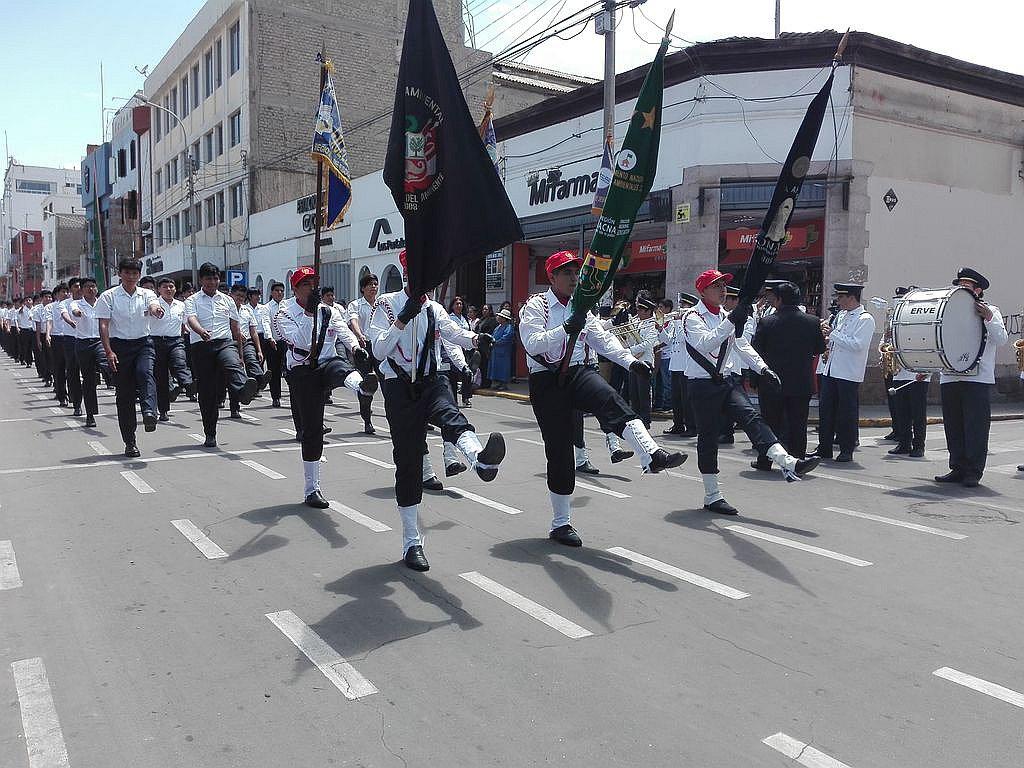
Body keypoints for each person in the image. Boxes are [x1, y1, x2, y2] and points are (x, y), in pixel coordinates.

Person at [520, 251, 686, 547]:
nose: (573, 277)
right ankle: (561, 524)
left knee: (611, 399)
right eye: (566, 272)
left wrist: (629, 362)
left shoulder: (582, 305)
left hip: (577, 373)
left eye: (576, 272)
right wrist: (565, 329)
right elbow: (532, 343)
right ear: (552, 277)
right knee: (559, 452)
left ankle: (651, 454)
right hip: (546, 381)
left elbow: (603, 340)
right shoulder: (537, 305)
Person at [367, 250, 505, 572]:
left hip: (432, 380)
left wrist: (475, 339)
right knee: (409, 463)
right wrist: (403, 317)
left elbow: (451, 333)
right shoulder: (386, 304)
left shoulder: (434, 308)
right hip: (400, 390)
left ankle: (480, 458)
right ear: (405, 275)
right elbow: (379, 348)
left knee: (450, 414)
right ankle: (412, 542)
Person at [683, 270, 820, 515]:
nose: (722, 289)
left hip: (726, 381)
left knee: (752, 417)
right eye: (716, 285)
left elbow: (741, 345)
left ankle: (788, 463)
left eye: (724, 284)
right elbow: (705, 344)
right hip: (702, 385)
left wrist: (763, 368)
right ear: (702, 291)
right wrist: (731, 320)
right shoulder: (692, 317)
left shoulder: (726, 315)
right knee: (708, 439)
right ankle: (712, 495)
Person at [276, 267, 376, 507]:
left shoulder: (328, 311)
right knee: (312, 431)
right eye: (305, 284)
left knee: (341, 368)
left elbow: (343, 331)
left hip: (326, 361)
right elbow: (299, 341)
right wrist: (310, 314)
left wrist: (356, 348)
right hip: (302, 369)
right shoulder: (284, 312)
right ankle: (312, 489)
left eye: (314, 284)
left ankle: (362, 387)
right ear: (295, 288)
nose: (311, 288)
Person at [935, 267, 1008, 487]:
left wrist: (988, 318)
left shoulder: (991, 310)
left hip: (977, 379)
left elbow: (1001, 339)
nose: (960, 289)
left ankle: (973, 471)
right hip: (950, 377)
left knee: (975, 427)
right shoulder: (948, 309)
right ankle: (957, 467)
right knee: (953, 425)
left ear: (978, 290)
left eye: (966, 286)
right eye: (959, 285)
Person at [751, 281, 826, 467]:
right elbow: (819, 347)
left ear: (779, 300)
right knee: (798, 423)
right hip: (800, 380)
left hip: (771, 381)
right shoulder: (812, 321)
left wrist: (754, 379)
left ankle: (765, 459)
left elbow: (756, 351)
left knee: (769, 423)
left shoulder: (767, 322)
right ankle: (797, 459)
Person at [184, 263, 259, 448]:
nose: (212, 282)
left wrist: (240, 353)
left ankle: (243, 390)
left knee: (232, 363)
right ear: (201, 280)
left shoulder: (228, 300)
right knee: (208, 392)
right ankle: (210, 433)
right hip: (202, 346)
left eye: (216, 278)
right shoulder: (192, 300)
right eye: (208, 278)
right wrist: (201, 331)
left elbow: (235, 329)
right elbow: (191, 319)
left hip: (224, 343)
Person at [96, 258, 164, 457]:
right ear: (120, 274)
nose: (131, 277)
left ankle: (150, 412)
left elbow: (153, 306)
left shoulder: (147, 294)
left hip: (144, 343)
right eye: (127, 273)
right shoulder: (108, 296)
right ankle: (130, 442)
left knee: (145, 373)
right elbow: (104, 325)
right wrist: (108, 351)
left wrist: (156, 310)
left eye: (135, 273)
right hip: (119, 347)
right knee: (124, 397)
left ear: (139, 275)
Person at [814, 283, 875, 462]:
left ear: (851, 297)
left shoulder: (865, 319)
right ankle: (824, 448)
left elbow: (857, 345)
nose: (838, 301)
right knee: (826, 411)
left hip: (848, 372)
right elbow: (837, 341)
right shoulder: (841, 315)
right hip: (832, 369)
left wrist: (832, 334)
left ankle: (846, 450)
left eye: (841, 297)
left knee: (845, 413)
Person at [150, 277, 195, 421]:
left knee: (180, 362)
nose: (168, 289)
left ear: (175, 289)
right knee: (161, 378)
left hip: (176, 341)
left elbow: (186, 324)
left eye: (171, 287)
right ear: (159, 289)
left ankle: (189, 385)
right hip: (156, 342)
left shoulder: (181, 305)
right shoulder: (153, 303)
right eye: (165, 287)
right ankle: (163, 410)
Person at [70, 277, 110, 428]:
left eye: (93, 286)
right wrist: (78, 313)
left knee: (107, 364)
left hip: (100, 342)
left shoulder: (103, 303)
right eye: (87, 287)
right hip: (83, 344)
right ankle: (90, 414)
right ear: (82, 289)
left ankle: (112, 381)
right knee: (88, 380)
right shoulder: (76, 303)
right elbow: (74, 312)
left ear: (96, 288)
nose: (90, 289)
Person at [659, 292, 699, 437]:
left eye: (683, 305)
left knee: (686, 398)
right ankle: (678, 424)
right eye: (681, 305)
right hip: (675, 363)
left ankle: (692, 426)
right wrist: (661, 329)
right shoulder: (678, 323)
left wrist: (677, 321)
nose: (680, 308)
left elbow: (683, 339)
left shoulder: (691, 322)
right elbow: (670, 340)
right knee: (676, 397)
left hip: (685, 365)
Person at [345, 273, 381, 434]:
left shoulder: (382, 304)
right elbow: (353, 321)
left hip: (381, 347)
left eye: (375, 284)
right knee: (368, 385)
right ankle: (367, 420)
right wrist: (359, 335)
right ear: (362, 288)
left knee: (388, 383)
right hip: (363, 348)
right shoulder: (355, 305)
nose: (373, 287)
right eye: (370, 285)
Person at [228, 283, 265, 418]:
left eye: (243, 297)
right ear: (231, 295)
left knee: (252, 360)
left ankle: (260, 379)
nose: (240, 299)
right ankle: (234, 407)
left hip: (246, 342)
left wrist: (259, 350)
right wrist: (236, 333)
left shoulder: (247, 310)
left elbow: (253, 332)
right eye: (237, 295)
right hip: (230, 344)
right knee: (234, 375)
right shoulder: (224, 310)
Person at [627, 292, 658, 427]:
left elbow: (647, 344)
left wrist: (629, 351)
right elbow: (631, 339)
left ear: (648, 311)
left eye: (640, 310)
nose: (637, 312)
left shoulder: (652, 324)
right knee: (633, 392)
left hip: (645, 361)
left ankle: (645, 420)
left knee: (643, 393)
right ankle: (636, 417)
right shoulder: (637, 322)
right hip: (634, 361)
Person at [264, 281, 287, 408]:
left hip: (287, 342)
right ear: (272, 293)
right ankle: (276, 397)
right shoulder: (267, 308)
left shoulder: (287, 305)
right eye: (277, 291)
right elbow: (266, 323)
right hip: (273, 342)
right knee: (274, 370)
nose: (279, 293)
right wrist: (270, 337)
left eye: (281, 291)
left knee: (290, 369)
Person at [488, 308, 515, 389]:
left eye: (500, 317)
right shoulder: (498, 327)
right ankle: (496, 382)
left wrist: (496, 342)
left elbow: (506, 338)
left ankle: (503, 383)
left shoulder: (509, 327)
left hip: (503, 351)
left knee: (503, 367)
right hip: (495, 351)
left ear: (504, 319)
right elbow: (492, 336)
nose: (498, 318)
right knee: (495, 367)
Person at [476, 304, 497, 387]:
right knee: (480, 364)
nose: (484, 311)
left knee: (485, 365)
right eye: (483, 309)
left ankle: (486, 382)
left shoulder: (492, 320)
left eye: (486, 309)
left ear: (490, 311)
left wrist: (483, 335)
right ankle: (480, 381)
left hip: (486, 346)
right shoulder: (481, 320)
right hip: (479, 344)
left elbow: (491, 333)